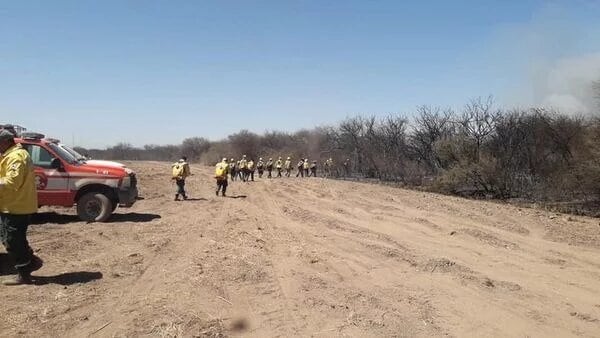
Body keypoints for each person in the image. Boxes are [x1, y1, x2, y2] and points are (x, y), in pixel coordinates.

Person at [0, 129, 44, 285]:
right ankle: (30, 261)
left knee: (14, 240)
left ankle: (25, 272)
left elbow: (12, 182)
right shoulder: (9, 155)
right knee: (8, 238)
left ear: (5, 142)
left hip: (17, 206)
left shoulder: (16, 157)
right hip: (9, 205)